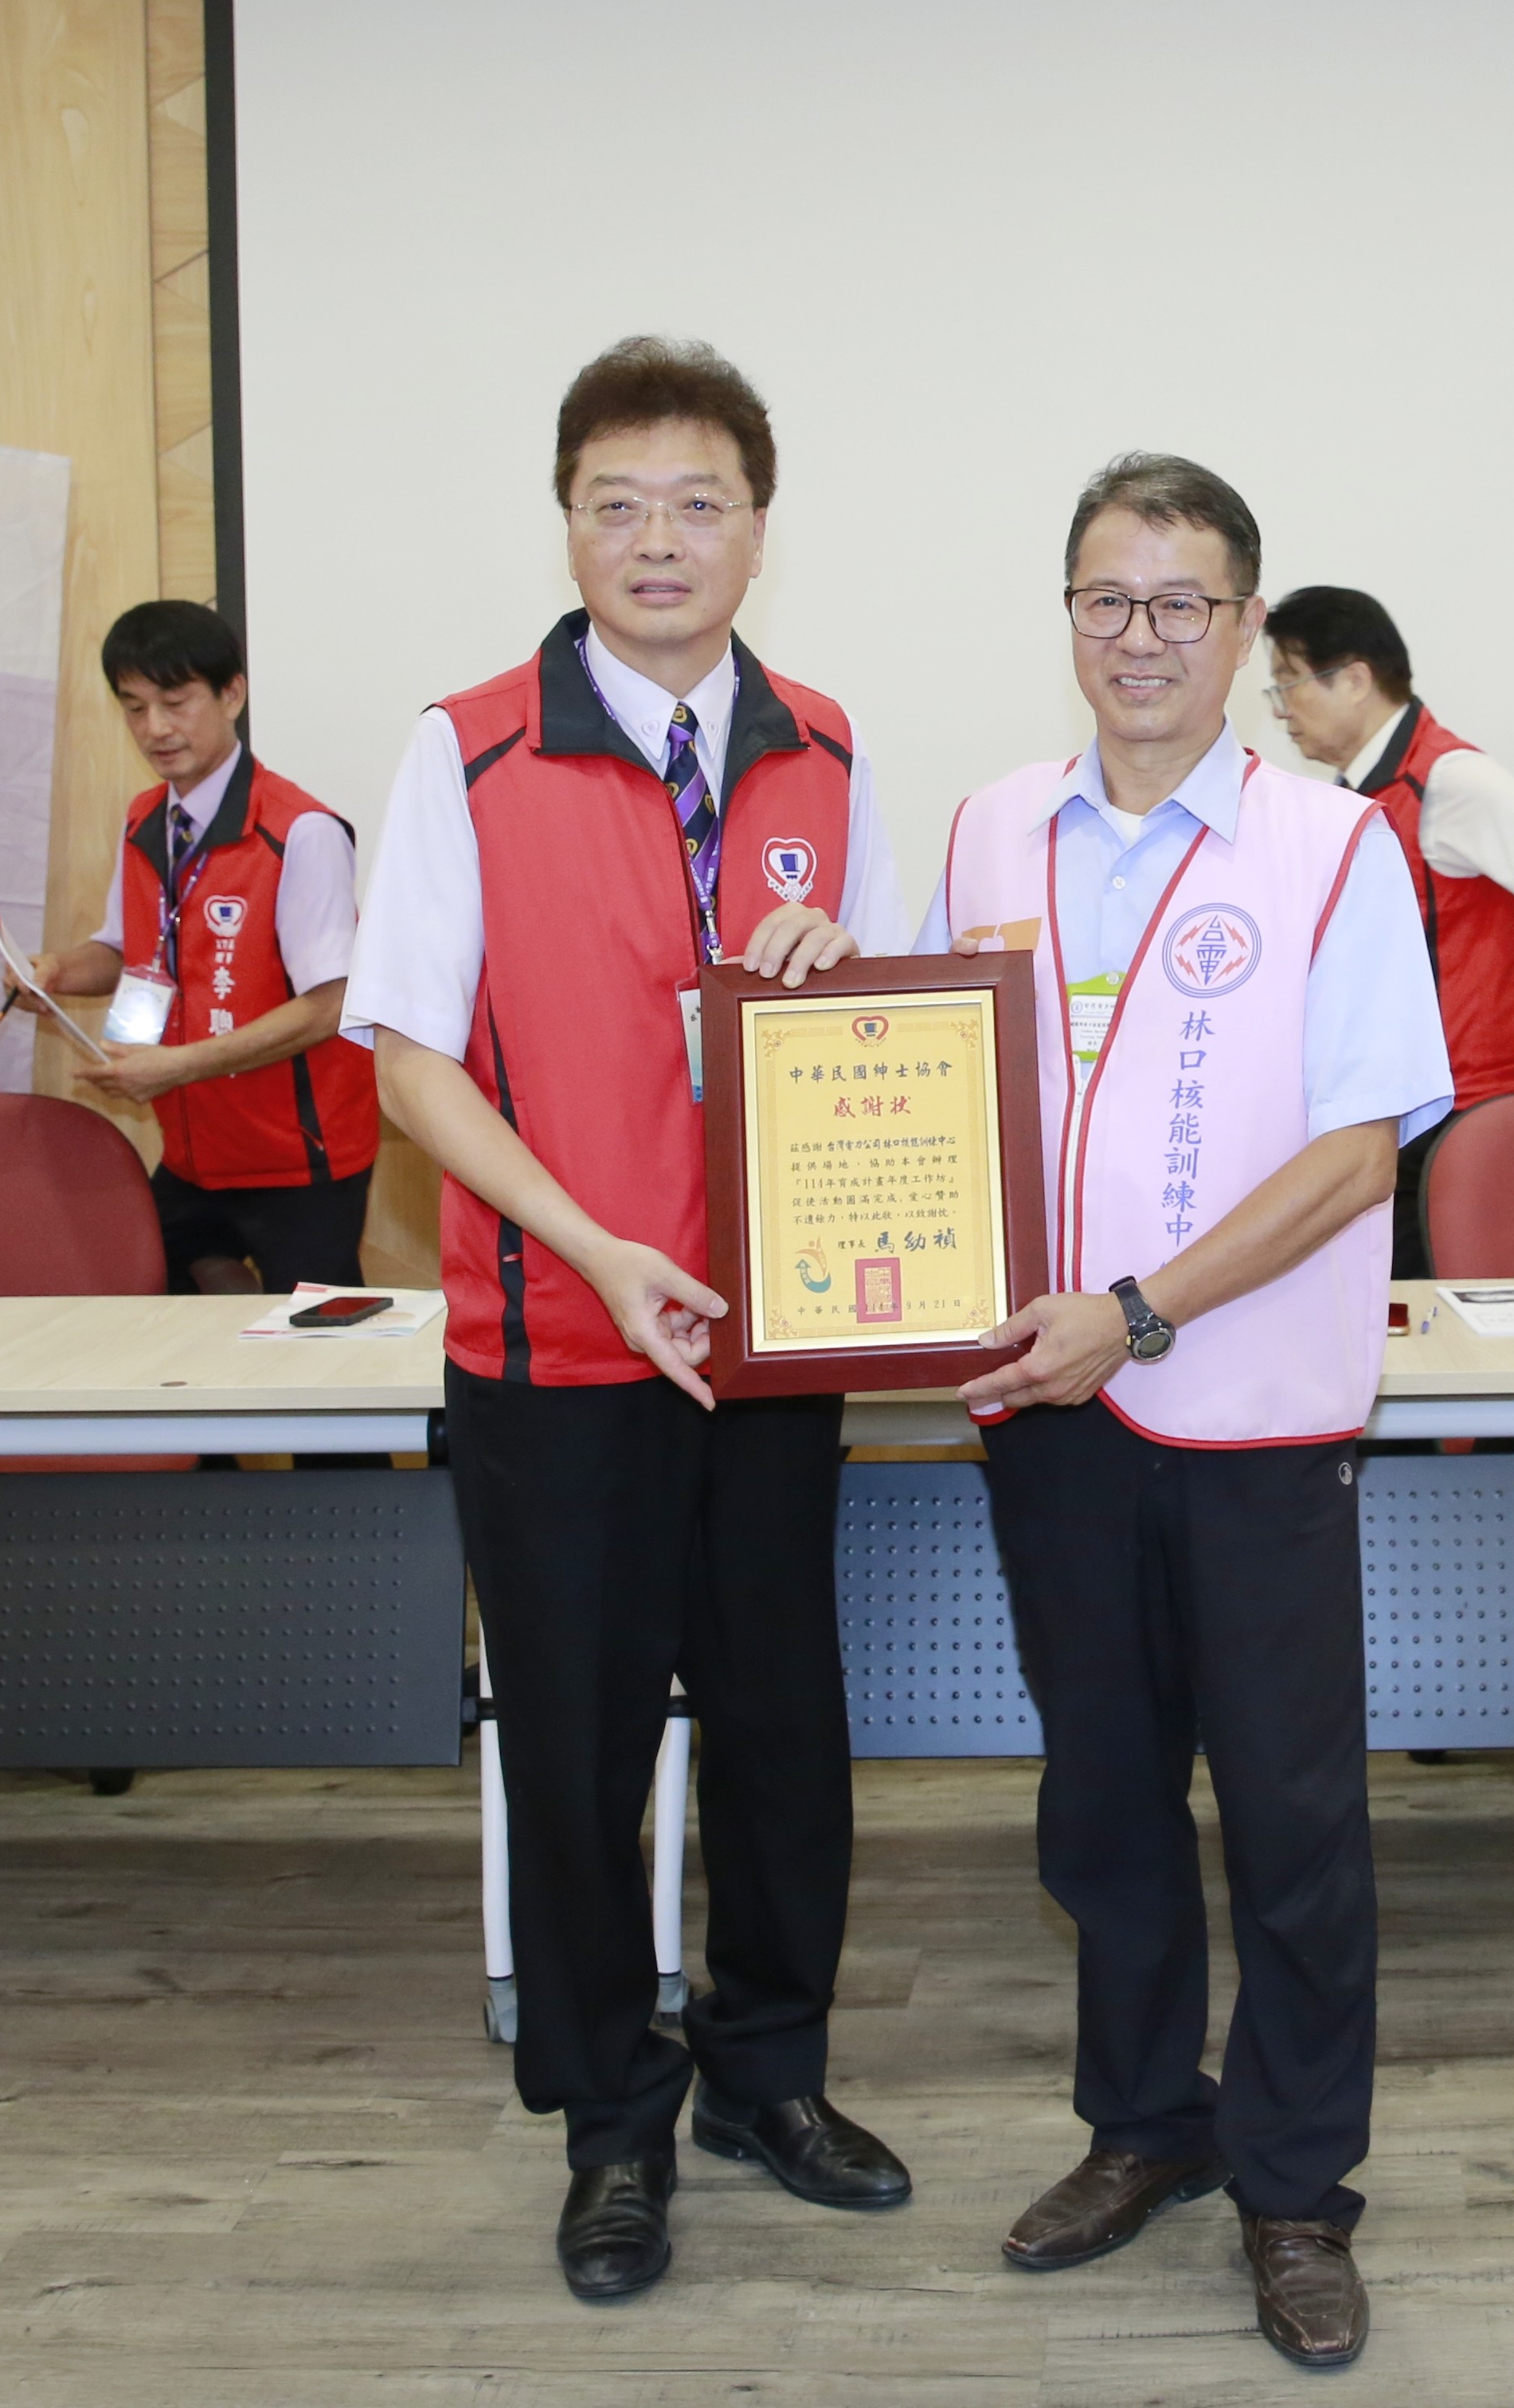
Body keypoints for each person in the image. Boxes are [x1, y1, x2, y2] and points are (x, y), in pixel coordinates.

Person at [341, 338, 910, 2303]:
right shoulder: (469, 748)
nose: (660, 539)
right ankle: (610, 2123)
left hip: (769, 1345)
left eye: (699, 504)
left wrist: (849, 969)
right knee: (577, 1758)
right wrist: (594, 1248)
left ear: (759, 530)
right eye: (619, 504)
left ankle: (769, 2074)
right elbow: (412, 1065)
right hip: (559, 1346)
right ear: (569, 525)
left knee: (783, 1733)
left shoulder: (826, 747)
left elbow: (885, 1033)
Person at [925, 455, 1452, 2374]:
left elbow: (1357, 1152)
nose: (1137, 638)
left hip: (1250, 1414)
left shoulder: (1334, 845)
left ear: (1242, 628)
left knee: (1294, 1825)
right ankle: (1148, 2124)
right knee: (1102, 1806)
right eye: (1104, 598)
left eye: (1179, 603)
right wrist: (805, 981)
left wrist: (1138, 1313)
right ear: (1067, 615)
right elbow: (909, 1077)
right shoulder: (988, 831)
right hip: (1046, 1417)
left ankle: (1295, 2189)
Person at [1260, 584, 1514, 1276]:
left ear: (1354, 679)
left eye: (1288, 682)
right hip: (1389, 1112)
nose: (1280, 709)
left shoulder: (1447, 779)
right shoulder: (1351, 797)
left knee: (1438, 1316)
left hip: (1463, 1117)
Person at [22, 600, 378, 1296]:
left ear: (231, 694)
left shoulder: (300, 831)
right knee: (153, 1305)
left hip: (297, 1159)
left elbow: (330, 1005)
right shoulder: (145, 820)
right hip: (194, 1153)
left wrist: (177, 1066)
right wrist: (56, 972)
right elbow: (122, 952)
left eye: (175, 702)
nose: (155, 728)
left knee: (315, 1344)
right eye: (134, 708)